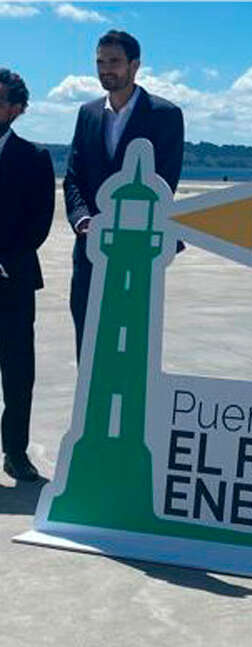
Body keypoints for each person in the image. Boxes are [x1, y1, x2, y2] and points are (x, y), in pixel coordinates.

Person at [64, 29, 184, 360]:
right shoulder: (87, 113)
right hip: (89, 249)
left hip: (136, 251)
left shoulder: (165, 115)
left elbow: (164, 183)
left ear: (135, 65)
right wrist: (83, 220)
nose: (106, 69)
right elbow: (73, 177)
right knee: (87, 347)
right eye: (100, 62)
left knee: (130, 349)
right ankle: (89, 413)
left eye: (114, 62)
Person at [0, 69, 55, 482]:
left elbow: (40, 222)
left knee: (18, 373)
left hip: (13, 280)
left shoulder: (35, 157)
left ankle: (16, 453)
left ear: (16, 109)